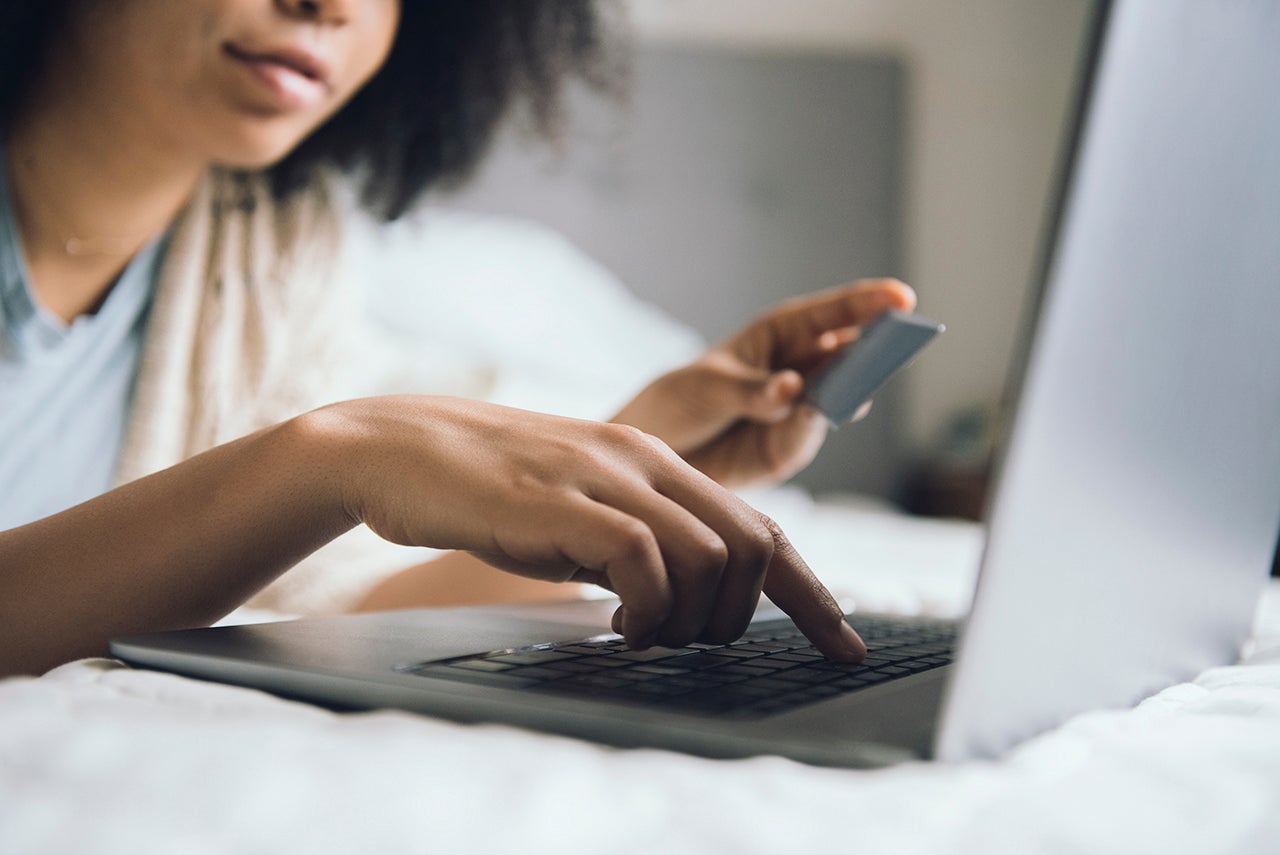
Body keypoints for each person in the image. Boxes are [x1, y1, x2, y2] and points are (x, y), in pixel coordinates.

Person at [0, 0, 917, 677]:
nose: (331, 7)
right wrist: (333, 456)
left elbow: (310, 601)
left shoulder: (275, 240)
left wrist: (647, 460)